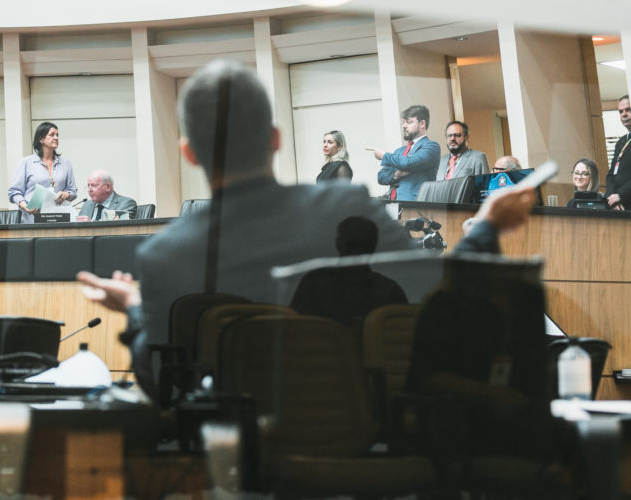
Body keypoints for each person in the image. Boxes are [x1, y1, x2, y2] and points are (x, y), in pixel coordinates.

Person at [77, 60, 536, 397]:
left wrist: (138, 308)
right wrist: (487, 226)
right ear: (275, 140)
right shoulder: (349, 207)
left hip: (243, 459)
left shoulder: (164, 255)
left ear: (189, 153)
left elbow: (161, 383)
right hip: (366, 445)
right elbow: (433, 302)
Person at [289, 216, 407, 327]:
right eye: (352, 245)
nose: (358, 251)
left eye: (365, 246)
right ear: (338, 244)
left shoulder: (390, 291)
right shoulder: (314, 283)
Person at [8, 122, 78, 223]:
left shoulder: (66, 164)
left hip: (59, 220)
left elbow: (73, 191)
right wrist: (25, 206)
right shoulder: (26, 163)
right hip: (32, 219)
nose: (56, 138)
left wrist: (66, 194)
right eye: (52, 134)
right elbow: (14, 192)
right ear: (41, 139)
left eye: (57, 135)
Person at [373, 105, 440, 201]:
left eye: (409, 122)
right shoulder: (399, 151)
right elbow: (381, 177)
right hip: (392, 205)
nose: (404, 126)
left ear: (422, 124)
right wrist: (397, 175)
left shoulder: (432, 146)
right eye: (403, 122)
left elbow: (408, 163)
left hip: (415, 206)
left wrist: (384, 155)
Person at [606, 94, 631, 210]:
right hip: (618, 207)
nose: (624, 114)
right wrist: (612, 198)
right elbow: (611, 174)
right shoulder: (620, 142)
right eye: (620, 112)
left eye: (628, 110)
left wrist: (621, 195)